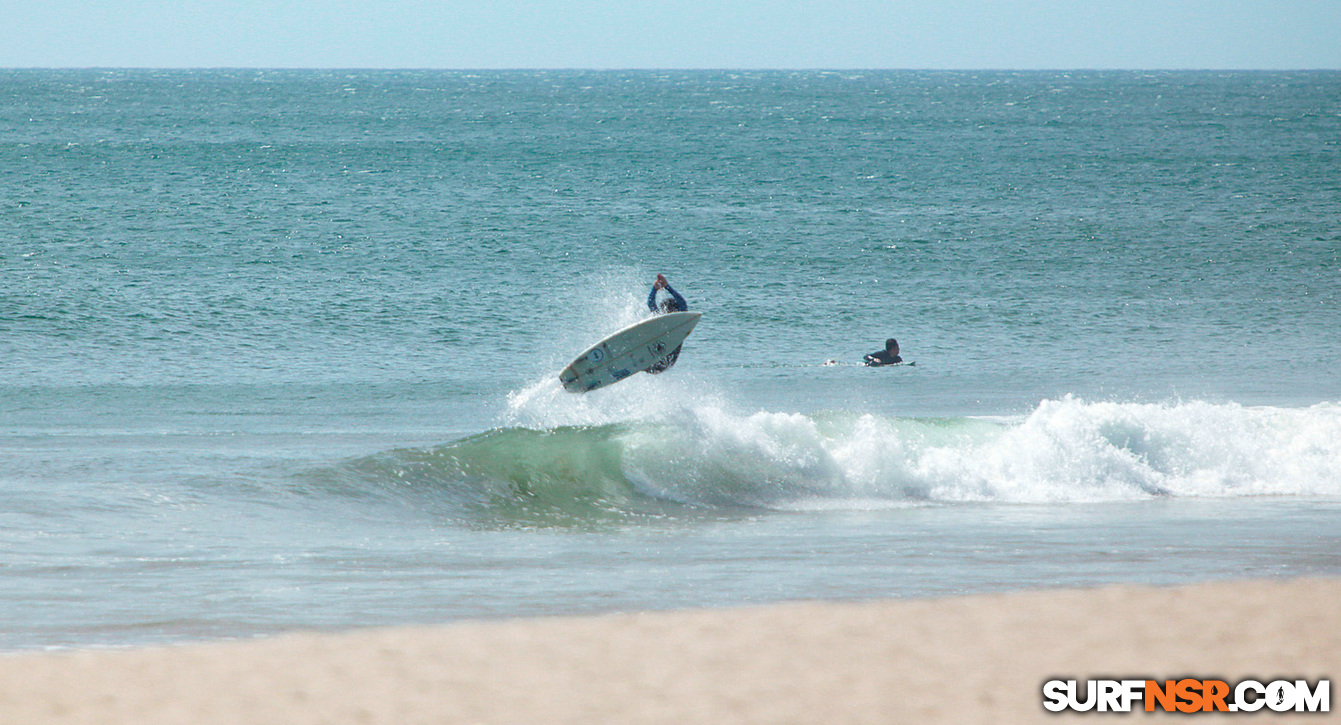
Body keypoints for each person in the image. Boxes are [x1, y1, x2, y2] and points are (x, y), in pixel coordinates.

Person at [645, 274, 688, 374]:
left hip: (666, 361)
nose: (665, 312)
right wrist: (655, 288)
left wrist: (666, 287)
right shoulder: (661, 319)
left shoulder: (680, 321)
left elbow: (682, 304)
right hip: (658, 361)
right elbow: (650, 303)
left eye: (668, 310)